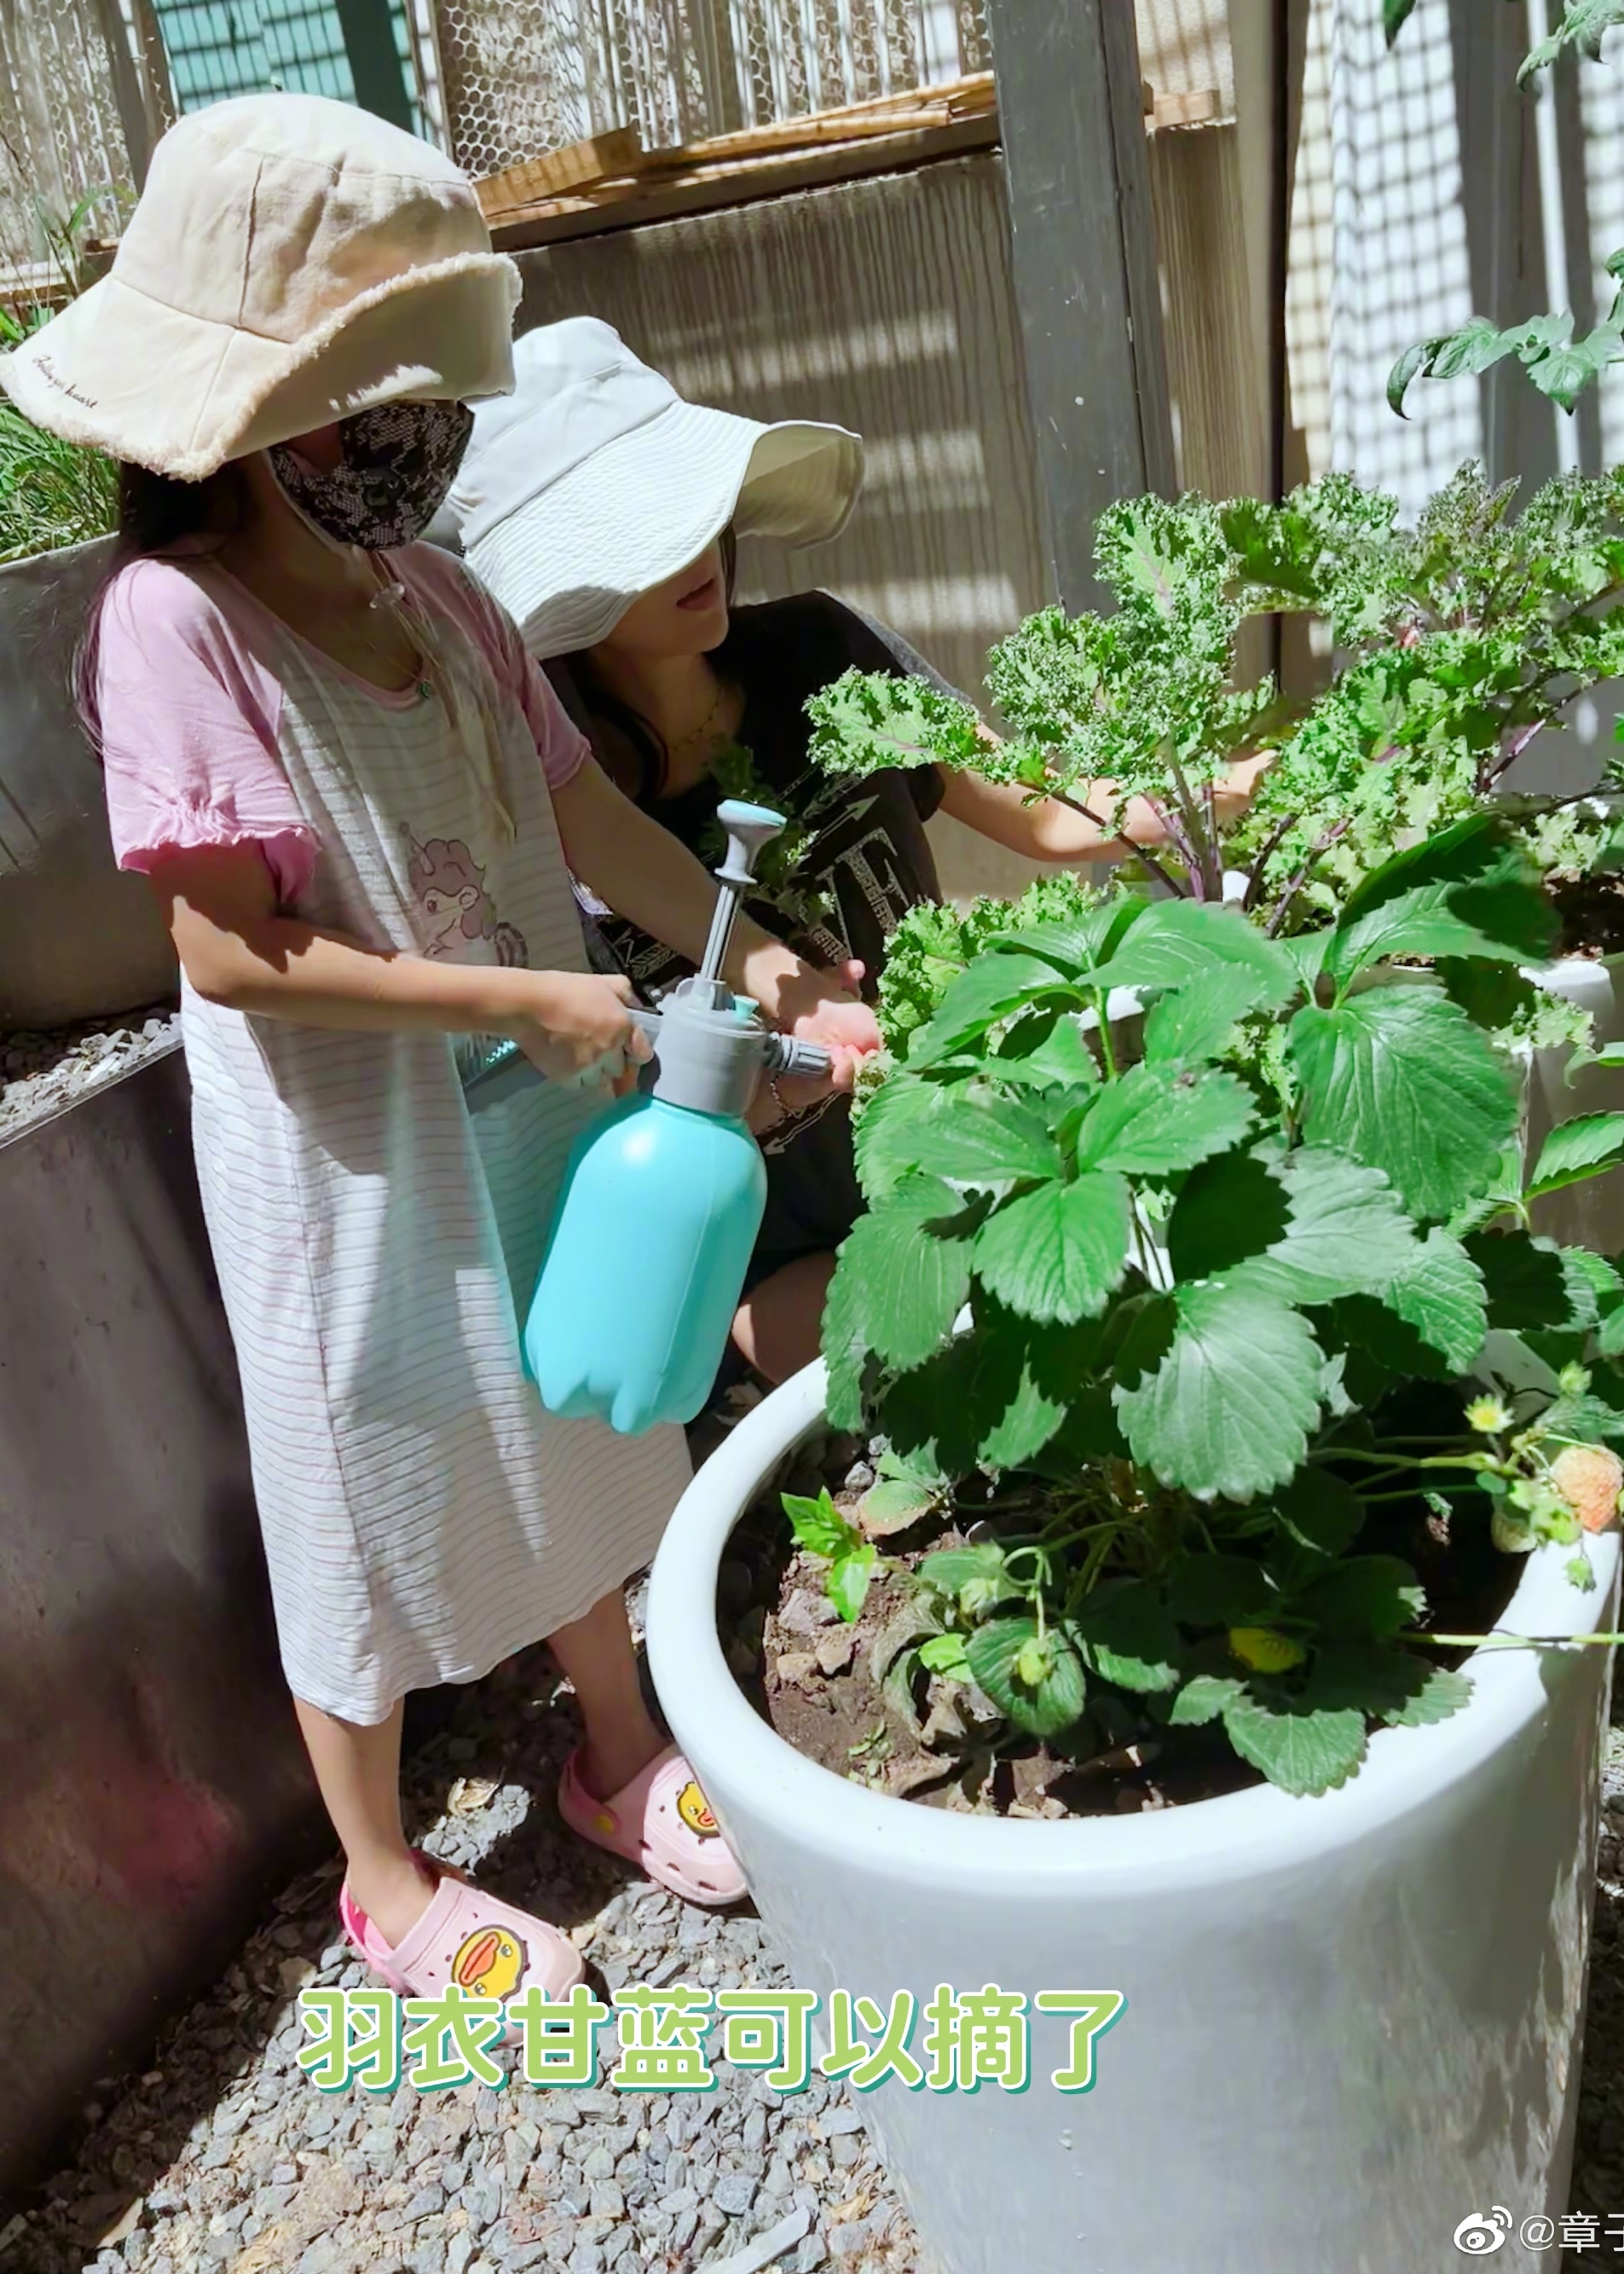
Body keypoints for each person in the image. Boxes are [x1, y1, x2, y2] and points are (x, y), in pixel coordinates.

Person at [1, 96, 878, 2001]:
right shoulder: (176, 622)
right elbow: (226, 953)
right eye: (357, 398)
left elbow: (593, 832)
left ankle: (614, 1750)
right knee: (360, 1483)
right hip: (348, 1162)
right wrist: (521, 997)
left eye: (420, 390)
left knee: (575, 1413)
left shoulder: (447, 597)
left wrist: (786, 964)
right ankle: (384, 1876)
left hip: (519, 1116)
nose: (406, 436)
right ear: (237, 415)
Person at [449, 318, 1266, 1386]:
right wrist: (794, 1072)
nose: (695, 548)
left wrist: (1220, 794)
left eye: (692, 506)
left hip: (961, 1145)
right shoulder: (549, 812)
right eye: (638, 535)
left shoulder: (819, 650)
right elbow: (611, 1124)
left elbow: (1038, 813)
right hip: (763, 1257)